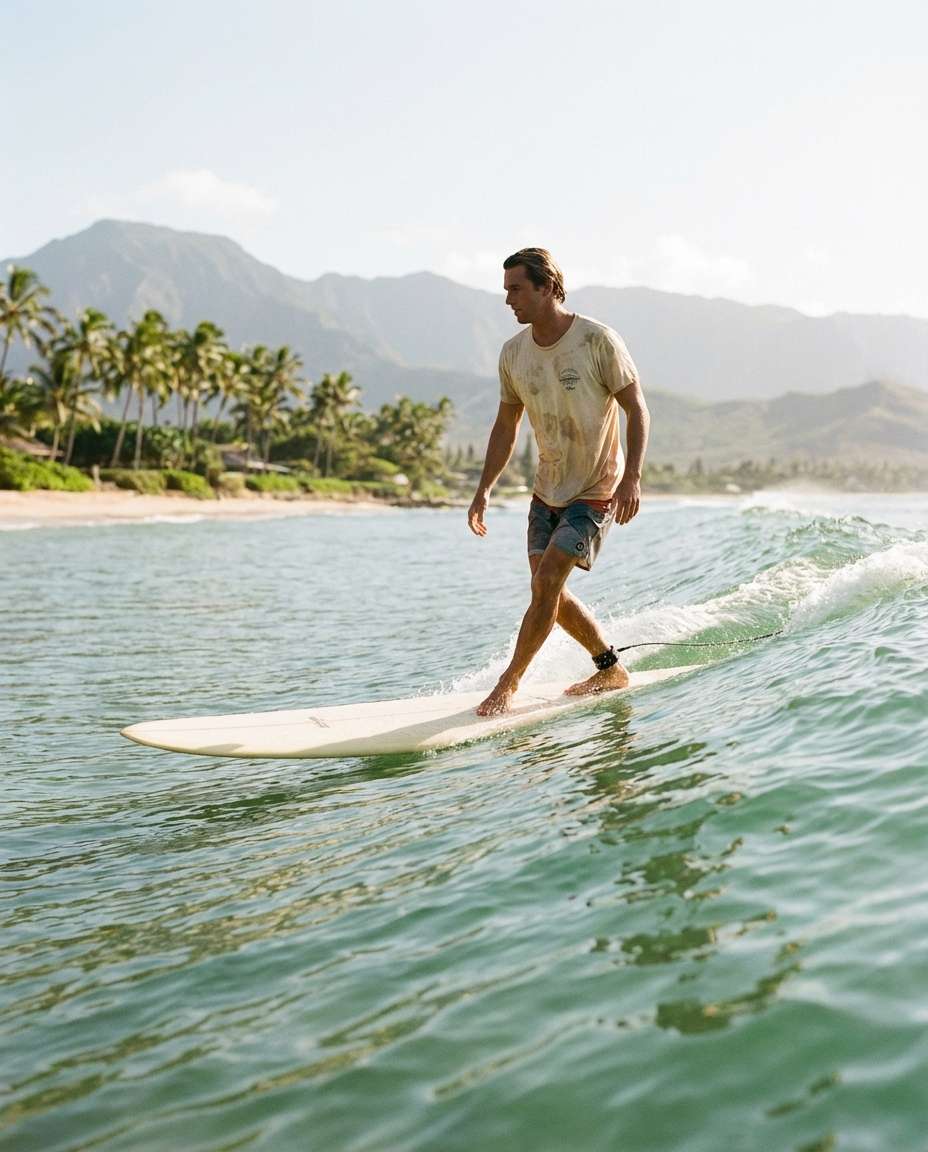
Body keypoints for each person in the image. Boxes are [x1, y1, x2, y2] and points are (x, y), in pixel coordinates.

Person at [467, 248, 650, 716]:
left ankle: (508, 685)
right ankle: (609, 666)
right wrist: (484, 488)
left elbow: (636, 408)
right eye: (506, 290)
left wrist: (632, 477)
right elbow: (505, 426)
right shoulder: (513, 354)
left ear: (547, 287)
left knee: (547, 582)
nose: (508, 300)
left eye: (516, 289)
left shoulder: (596, 340)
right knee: (546, 591)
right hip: (546, 489)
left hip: (595, 489)